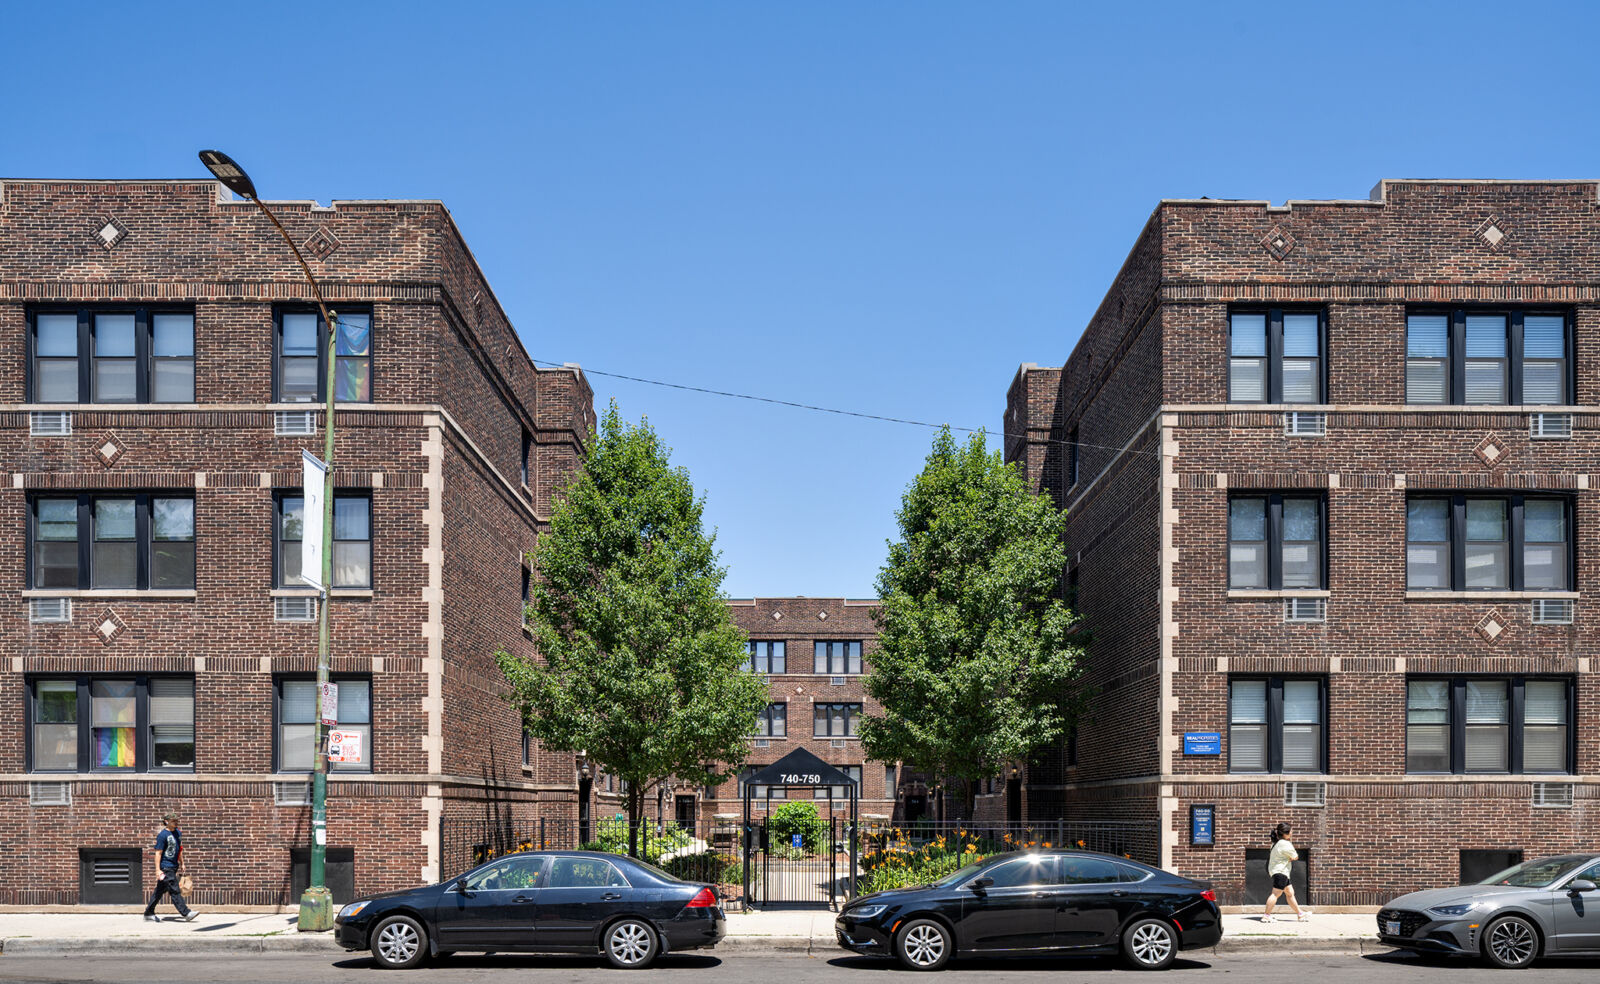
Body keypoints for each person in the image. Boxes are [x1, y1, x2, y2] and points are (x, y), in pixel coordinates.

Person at [143, 811, 197, 923]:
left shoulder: (177, 832)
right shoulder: (162, 835)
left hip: (174, 866)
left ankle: (148, 913)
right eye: (173, 821)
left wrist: (182, 863)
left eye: (176, 820)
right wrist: (158, 870)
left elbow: (179, 849)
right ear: (166, 822)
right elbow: (158, 853)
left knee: (159, 891)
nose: (176, 823)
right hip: (166, 867)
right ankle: (186, 913)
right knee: (174, 890)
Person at [1261, 821, 1310, 922]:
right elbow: (1295, 856)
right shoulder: (1285, 844)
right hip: (1281, 872)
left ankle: (1300, 914)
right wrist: (1290, 858)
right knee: (1275, 894)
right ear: (1285, 833)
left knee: (1290, 893)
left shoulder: (1275, 844)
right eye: (1291, 831)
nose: (1292, 833)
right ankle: (1266, 916)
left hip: (1278, 872)